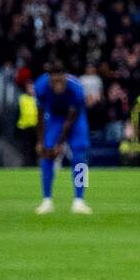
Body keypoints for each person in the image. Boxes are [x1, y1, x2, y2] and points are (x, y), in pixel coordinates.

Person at [34, 61, 92, 215]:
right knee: (46, 156)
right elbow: (39, 115)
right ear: (49, 79)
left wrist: (59, 144)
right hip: (53, 118)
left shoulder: (76, 88)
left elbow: (72, 117)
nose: (58, 84)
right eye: (54, 81)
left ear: (65, 77)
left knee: (80, 159)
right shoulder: (40, 87)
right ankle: (46, 200)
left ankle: (79, 200)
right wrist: (40, 142)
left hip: (75, 120)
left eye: (60, 80)